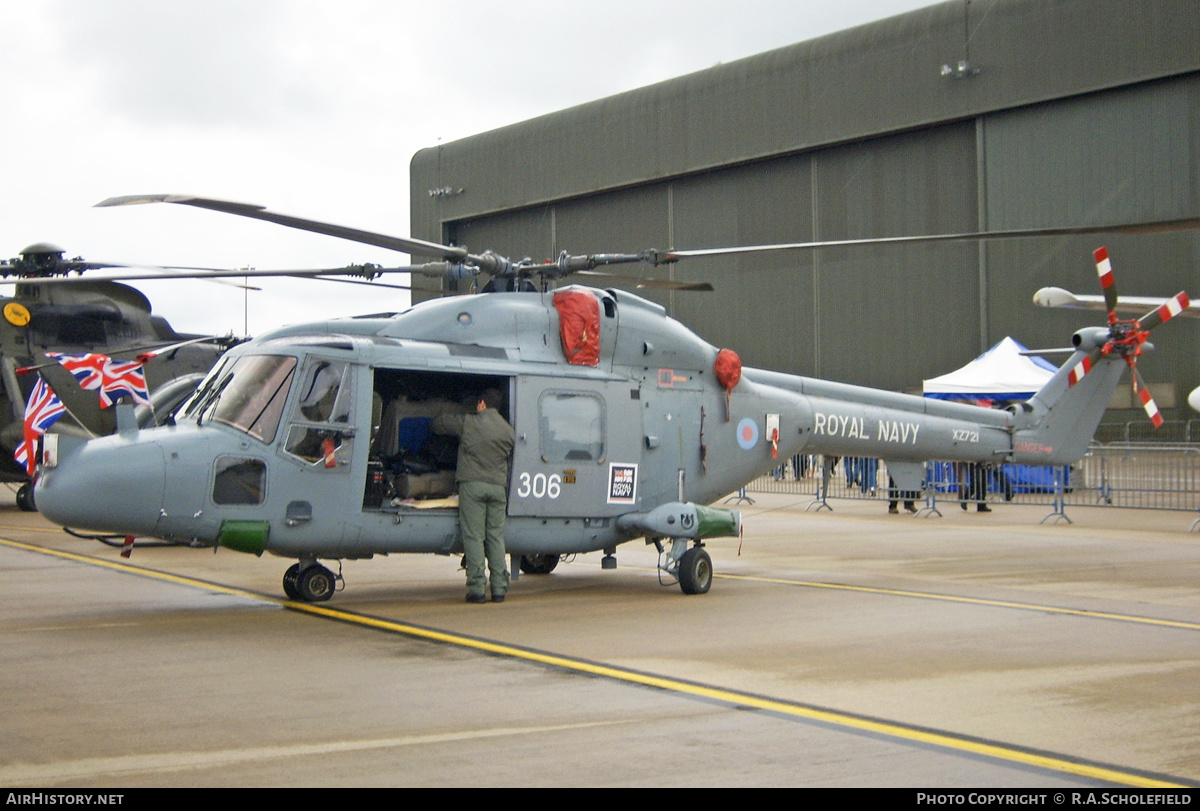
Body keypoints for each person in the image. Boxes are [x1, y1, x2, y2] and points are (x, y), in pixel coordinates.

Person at [431, 388, 515, 603]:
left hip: (473, 486)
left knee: (474, 537)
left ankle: (477, 589)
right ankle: (499, 589)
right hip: (498, 488)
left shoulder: (469, 422)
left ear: (481, 404)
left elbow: (440, 424)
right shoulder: (508, 431)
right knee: (495, 537)